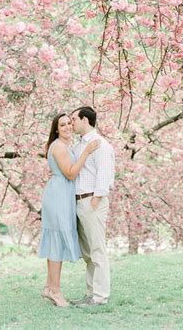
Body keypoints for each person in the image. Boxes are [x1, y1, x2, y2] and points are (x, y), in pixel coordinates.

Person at [38, 113, 100, 307]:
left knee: (56, 242)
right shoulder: (58, 147)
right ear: (56, 129)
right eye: (62, 125)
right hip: (58, 197)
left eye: (68, 123)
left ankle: (49, 287)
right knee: (56, 243)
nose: (67, 127)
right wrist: (86, 152)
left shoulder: (63, 146)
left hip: (62, 195)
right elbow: (71, 174)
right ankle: (56, 291)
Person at [70, 106, 115, 307]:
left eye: (74, 119)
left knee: (97, 250)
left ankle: (100, 297)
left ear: (85, 120)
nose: (71, 124)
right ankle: (91, 293)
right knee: (87, 253)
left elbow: (104, 174)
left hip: (91, 202)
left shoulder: (101, 144)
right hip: (79, 201)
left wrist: (95, 200)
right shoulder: (80, 145)